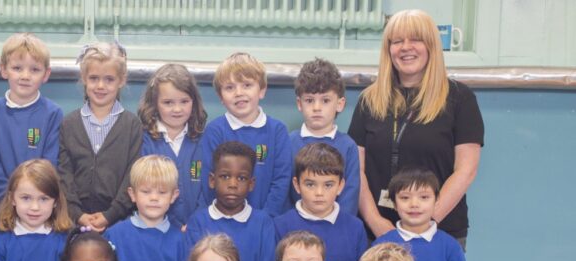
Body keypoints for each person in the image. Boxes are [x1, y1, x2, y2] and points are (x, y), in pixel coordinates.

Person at [349, 9, 484, 244]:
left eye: (416, 40)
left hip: (438, 231)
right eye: (397, 41)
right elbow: (356, 170)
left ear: (431, 46)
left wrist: (425, 221)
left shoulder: (460, 99)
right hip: (378, 231)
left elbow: (466, 170)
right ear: (388, 49)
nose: (405, 47)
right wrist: (375, 221)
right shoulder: (369, 100)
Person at [274, 143, 368, 261]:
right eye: (310, 184)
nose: (319, 193)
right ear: (297, 184)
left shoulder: (354, 228)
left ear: (341, 186)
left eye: (328, 185)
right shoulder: (281, 226)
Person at [58, 42, 142, 231]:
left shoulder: (131, 125)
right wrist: (78, 215)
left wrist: (109, 215)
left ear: (121, 80)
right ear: (84, 78)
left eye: (109, 79)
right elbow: (64, 174)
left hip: (119, 222)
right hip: (75, 222)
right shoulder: (69, 123)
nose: (101, 86)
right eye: (94, 78)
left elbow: (133, 175)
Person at [186, 141, 275, 261]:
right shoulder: (198, 222)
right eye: (225, 176)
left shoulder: (263, 223)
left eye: (241, 178)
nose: (233, 184)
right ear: (212, 180)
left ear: (251, 184)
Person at [201, 52, 292, 217]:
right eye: (230, 87)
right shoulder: (214, 131)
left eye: (247, 85)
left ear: (262, 90)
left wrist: (266, 219)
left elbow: (281, 180)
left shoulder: (277, 131)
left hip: (269, 221)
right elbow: (209, 181)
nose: (239, 93)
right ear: (221, 97)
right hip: (224, 222)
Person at [0, 33, 63, 210]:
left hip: (39, 208)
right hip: (3, 207)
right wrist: (11, 201)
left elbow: (50, 164)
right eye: (17, 68)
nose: (25, 76)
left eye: (34, 69)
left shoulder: (53, 114)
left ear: (46, 74)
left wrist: (31, 201)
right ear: (3, 70)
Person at [138, 63, 208, 226]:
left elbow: (209, 190)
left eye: (184, 101)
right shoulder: (144, 142)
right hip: (157, 229)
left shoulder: (204, 141)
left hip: (197, 228)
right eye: (168, 102)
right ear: (154, 103)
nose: (177, 109)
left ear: (194, 102)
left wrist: (195, 223)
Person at [290, 58, 360, 217]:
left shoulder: (348, 146)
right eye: (309, 100)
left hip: (336, 228)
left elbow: (350, 195)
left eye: (325, 100)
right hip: (296, 231)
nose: (316, 108)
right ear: (299, 104)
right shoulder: (289, 142)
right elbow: (285, 191)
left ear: (340, 104)